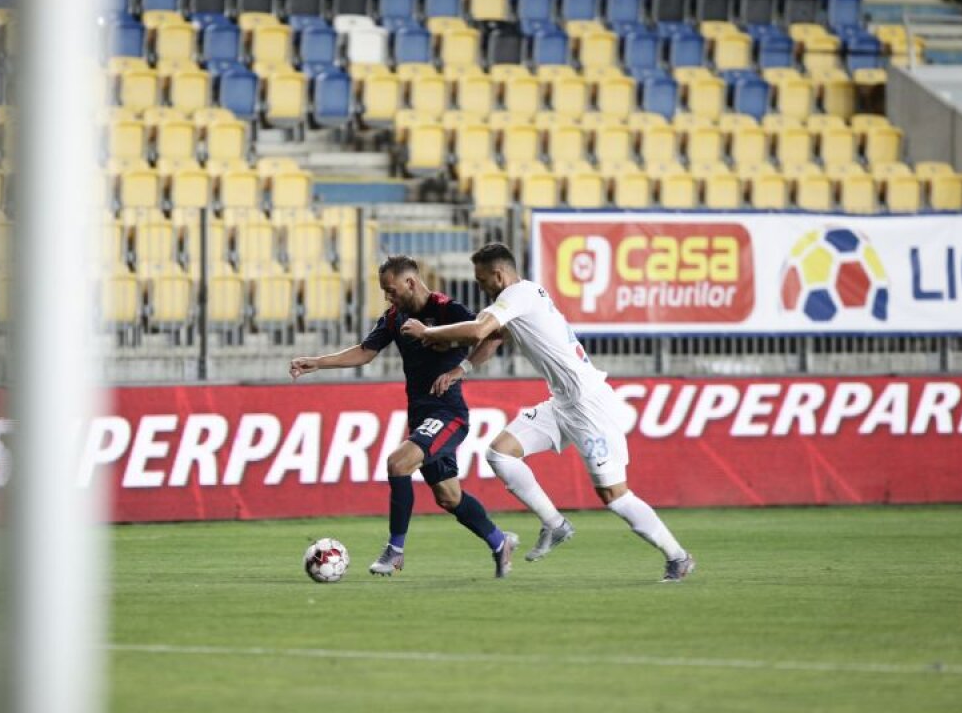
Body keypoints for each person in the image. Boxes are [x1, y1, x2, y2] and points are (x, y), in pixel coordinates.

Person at [400, 243, 696, 582]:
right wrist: (461, 367)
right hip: (562, 403)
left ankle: (678, 556)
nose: (481, 286)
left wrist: (427, 331)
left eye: (483, 280)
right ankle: (555, 524)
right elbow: (495, 336)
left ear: (499, 275)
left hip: (589, 406)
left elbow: (479, 329)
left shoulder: (520, 294)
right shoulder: (518, 301)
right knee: (500, 453)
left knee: (614, 495)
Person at [290, 255, 520, 578]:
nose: (388, 297)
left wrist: (459, 370)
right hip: (422, 417)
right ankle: (500, 542)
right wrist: (317, 362)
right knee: (449, 496)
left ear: (410, 282)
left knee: (398, 462)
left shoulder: (447, 310)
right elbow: (365, 351)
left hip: (448, 413)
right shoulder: (394, 318)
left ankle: (395, 552)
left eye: (391, 290)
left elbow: (495, 335)